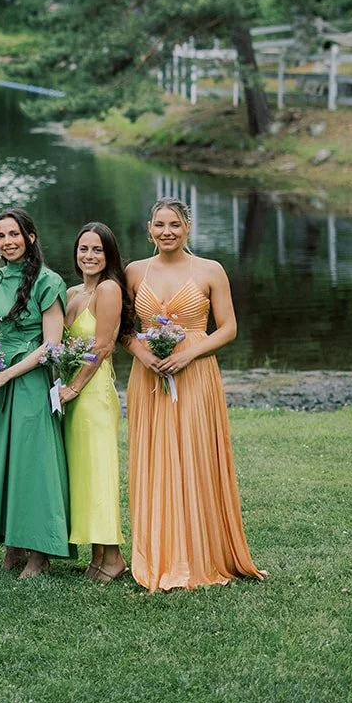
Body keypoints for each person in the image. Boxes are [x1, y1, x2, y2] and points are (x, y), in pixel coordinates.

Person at [126, 197, 265, 591]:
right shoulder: (135, 271)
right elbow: (119, 326)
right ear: (149, 229)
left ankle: (200, 553)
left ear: (187, 227)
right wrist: (144, 353)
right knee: (154, 458)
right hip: (149, 376)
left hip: (196, 374)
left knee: (194, 455)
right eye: (159, 225)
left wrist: (189, 354)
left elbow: (228, 328)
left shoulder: (210, 270)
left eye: (174, 224)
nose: (166, 231)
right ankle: (158, 553)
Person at [0, 208, 70, 579]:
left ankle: (40, 552)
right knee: (3, 460)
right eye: (0, 236)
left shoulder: (47, 281)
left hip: (27, 380)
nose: (7, 242)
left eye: (14, 235)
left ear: (30, 237)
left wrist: (8, 373)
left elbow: (51, 346)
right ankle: (13, 544)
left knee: (31, 464)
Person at [61, 222, 132, 582]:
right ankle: (97, 557)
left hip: (93, 393)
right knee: (82, 474)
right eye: (83, 249)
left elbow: (103, 347)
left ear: (109, 255)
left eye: (97, 250)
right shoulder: (72, 292)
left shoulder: (109, 289)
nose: (89, 256)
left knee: (99, 471)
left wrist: (73, 388)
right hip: (71, 393)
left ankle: (114, 557)